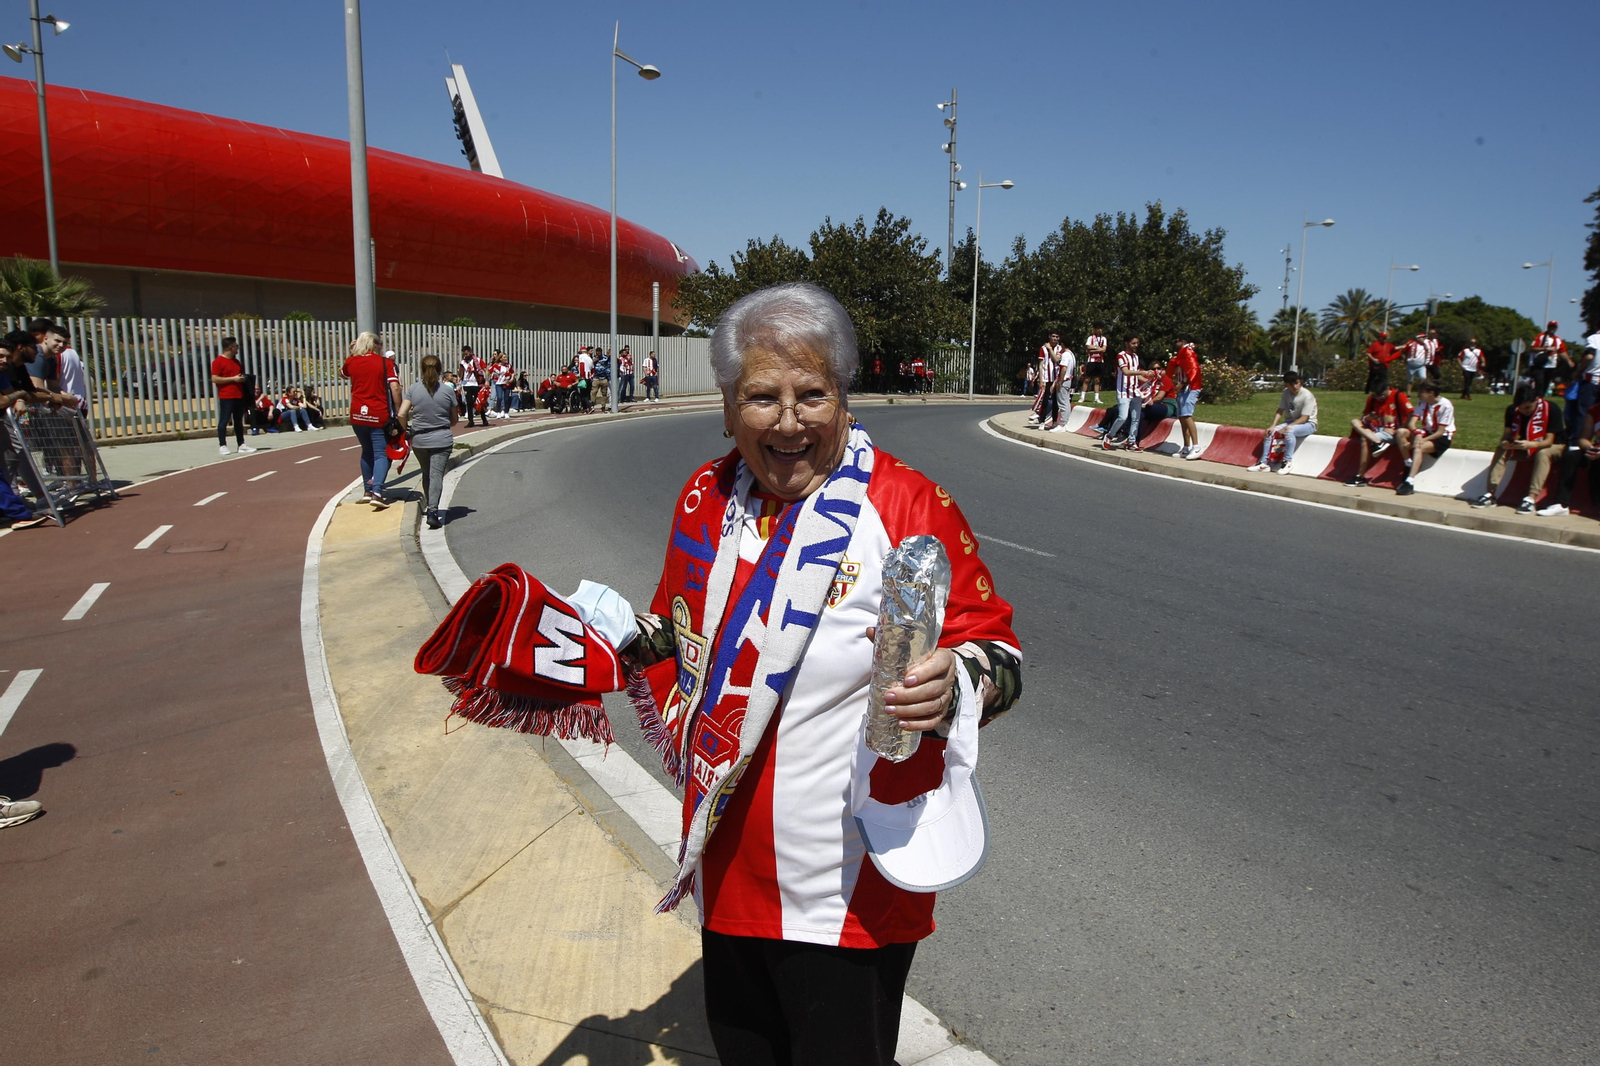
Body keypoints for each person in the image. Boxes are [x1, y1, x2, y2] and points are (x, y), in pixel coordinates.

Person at [416, 281, 1022, 1066]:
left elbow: (999, 655)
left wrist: (955, 683)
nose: (790, 420)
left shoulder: (905, 504)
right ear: (728, 405)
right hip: (726, 864)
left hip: (850, 882)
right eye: (762, 397)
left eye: (813, 394)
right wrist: (578, 638)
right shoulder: (706, 497)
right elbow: (680, 633)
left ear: (844, 397)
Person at [1471, 385, 1565, 513]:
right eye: (1520, 408)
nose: (1524, 411)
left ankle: (1531, 498)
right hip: (1527, 444)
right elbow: (1507, 435)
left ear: (1536, 401)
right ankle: (1490, 494)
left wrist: (1533, 445)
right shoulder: (1512, 410)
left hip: (1554, 445)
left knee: (1543, 453)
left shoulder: (1551, 408)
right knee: (1501, 449)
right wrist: (1506, 443)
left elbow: (1549, 441)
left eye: (1528, 407)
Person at [341, 332, 402, 508]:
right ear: (375, 345)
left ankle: (367, 490)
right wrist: (399, 411)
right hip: (378, 413)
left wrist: (352, 353)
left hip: (357, 414)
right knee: (381, 453)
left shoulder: (351, 361)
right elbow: (395, 387)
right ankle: (377, 491)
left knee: (366, 451)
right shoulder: (385, 363)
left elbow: (343, 374)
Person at [399, 353, 458, 530]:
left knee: (426, 472)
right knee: (436, 475)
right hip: (441, 438)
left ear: (421, 369)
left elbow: (401, 413)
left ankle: (429, 506)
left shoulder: (414, 389)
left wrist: (406, 429)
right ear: (440, 370)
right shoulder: (448, 390)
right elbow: (454, 419)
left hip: (419, 439)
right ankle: (433, 511)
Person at [1344, 382, 1413, 487]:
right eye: (1376, 395)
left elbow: (1411, 414)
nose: (1379, 398)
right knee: (1355, 422)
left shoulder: (1398, 396)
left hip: (1394, 432)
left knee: (1364, 439)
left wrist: (1400, 427)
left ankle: (1360, 475)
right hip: (1378, 430)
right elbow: (1364, 417)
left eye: (1381, 395)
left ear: (1387, 389)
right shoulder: (1372, 399)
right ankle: (1377, 443)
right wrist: (1369, 418)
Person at [1393, 379, 1455, 496]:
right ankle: (1408, 463)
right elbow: (1412, 423)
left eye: (1421, 392)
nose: (1418, 394)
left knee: (1418, 447)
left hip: (1442, 437)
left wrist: (1421, 439)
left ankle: (1410, 481)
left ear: (1430, 393)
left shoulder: (1446, 406)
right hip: (1427, 432)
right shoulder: (1422, 403)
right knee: (1401, 432)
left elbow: (1440, 432)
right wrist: (1418, 434)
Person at [1250, 370, 1318, 473]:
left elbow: (1305, 418)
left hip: (1308, 424)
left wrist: (1287, 427)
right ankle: (1264, 463)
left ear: (1300, 382)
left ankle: (1288, 461)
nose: (1295, 387)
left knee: (1289, 430)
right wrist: (1273, 425)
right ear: (1287, 385)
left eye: (1297, 383)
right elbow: (1280, 410)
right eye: (1291, 384)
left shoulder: (1307, 396)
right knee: (1270, 432)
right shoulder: (1286, 392)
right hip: (1291, 421)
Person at [1541, 401, 1599, 518]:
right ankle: (1561, 504)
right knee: (1571, 456)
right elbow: (1583, 439)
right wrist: (1590, 449)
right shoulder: (1594, 410)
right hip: (1596, 451)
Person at [1099, 335, 1151, 450]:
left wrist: (1150, 380)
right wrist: (1144, 373)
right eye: (1133, 343)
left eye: (1137, 343)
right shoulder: (1121, 356)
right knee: (1122, 416)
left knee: (1136, 417)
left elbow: (1136, 375)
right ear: (1127, 343)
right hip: (1123, 391)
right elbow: (1126, 372)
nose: (1136, 345)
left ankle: (1132, 442)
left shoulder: (1136, 357)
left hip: (1135, 391)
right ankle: (1109, 435)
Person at [209, 335, 257, 456]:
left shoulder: (236, 362)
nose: (238, 349)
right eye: (236, 346)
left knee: (238, 421)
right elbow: (215, 378)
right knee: (224, 420)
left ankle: (241, 444)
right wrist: (233, 379)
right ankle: (222, 445)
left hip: (239, 395)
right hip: (226, 396)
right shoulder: (218, 362)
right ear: (230, 347)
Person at [1170, 334, 1204, 459]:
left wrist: (1182, 383)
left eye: (1177, 340)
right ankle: (1186, 447)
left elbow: (1192, 370)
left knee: (1187, 415)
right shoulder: (1182, 353)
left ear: (1182, 341)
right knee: (1182, 417)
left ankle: (1196, 446)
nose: (1175, 343)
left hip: (1191, 388)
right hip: (1184, 389)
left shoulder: (1187, 352)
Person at [1028, 332, 1065, 428]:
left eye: (1057, 337)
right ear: (1049, 337)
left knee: (1055, 401)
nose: (1055, 338)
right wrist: (1040, 379)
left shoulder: (1060, 348)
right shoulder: (1042, 349)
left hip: (1056, 378)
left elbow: (1056, 359)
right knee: (1044, 400)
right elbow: (1040, 365)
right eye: (1053, 336)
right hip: (1046, 378)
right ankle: (1042, 421)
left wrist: (1050, 349)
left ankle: (1054, 421)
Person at [1528, 321, 1565, 397]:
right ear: (1548, 327)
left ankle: (1540, 400)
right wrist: (1546, 349)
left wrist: (1570, 362)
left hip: (1550, 365)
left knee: (1546, 384)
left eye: (1554, 327)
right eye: (1551, 326)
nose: (1552, 328)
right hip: (1538, 365)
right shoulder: (1540, 337)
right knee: (1539, 383)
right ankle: (1536, 399)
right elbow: (1532, 348)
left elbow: (1563, 351)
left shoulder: (1558, 339)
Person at [1048, 341, 1077, 433]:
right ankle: (1066, 422)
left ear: (1063, 345)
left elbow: (1063, 368)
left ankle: (1063, 424)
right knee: (1066, 402)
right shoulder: (1072, 355)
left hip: (1064, 381)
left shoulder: (1065, 355)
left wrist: (1060, 381)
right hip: (1068, 380)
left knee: (1062, 402)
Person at [1078, 323, 1108, 403]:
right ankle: (1082, 397)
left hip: (1100, 361)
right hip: (1091, 360)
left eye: (1101, 328)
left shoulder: (1104, 339)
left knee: (1097, 380)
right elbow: (1088, 347)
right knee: (1087, 379)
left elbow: (1104, 349)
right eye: (1098, 328)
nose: (1100, 330)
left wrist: (1093, 349)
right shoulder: (1090, 338)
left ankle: (1096, 398)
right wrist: (1098, 348)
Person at [459, 345, 486, 427]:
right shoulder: (462, 362)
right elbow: (460, 373)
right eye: (464, 354)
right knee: (469, 402)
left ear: (470, 352)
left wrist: (487, 380)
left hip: (476, 384)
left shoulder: (477, 360)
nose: (465, 355)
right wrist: (459, 383)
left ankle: (484, 419)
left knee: (478, 402)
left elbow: (486, 369)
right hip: (466, 383)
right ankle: (471, 421)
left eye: (467, 354)